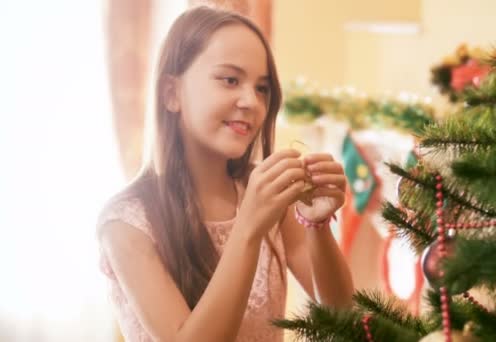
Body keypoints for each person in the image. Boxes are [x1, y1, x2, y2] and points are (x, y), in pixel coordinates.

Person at [96, 5, 354, 342]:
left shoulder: (265, 193)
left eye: (262, 88)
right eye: (230, 80)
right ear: (171, 93)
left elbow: (341, 316)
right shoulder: (126, 223)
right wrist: (249, 226)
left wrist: (318, 225)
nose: (251, 101)